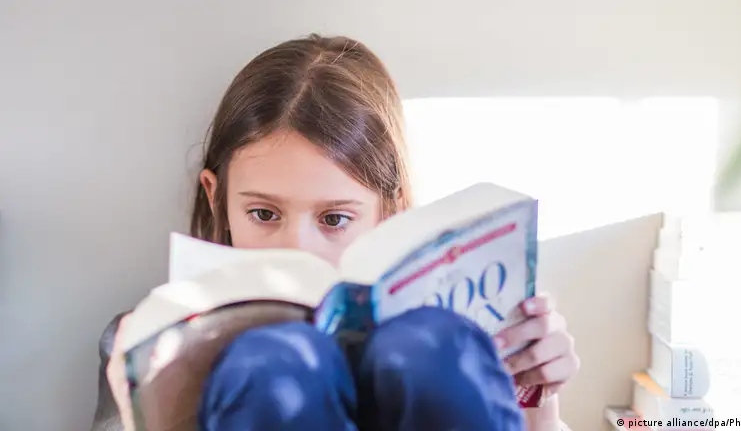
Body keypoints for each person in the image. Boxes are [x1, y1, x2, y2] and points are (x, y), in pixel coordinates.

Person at [90, 34, 579, 431]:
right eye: (263, 214)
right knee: (271, 364)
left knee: (432, 347)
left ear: (388, 213)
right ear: (216, 198)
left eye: (334, 219)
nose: (296, 251)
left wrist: (537, 404)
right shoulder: (150, 337)